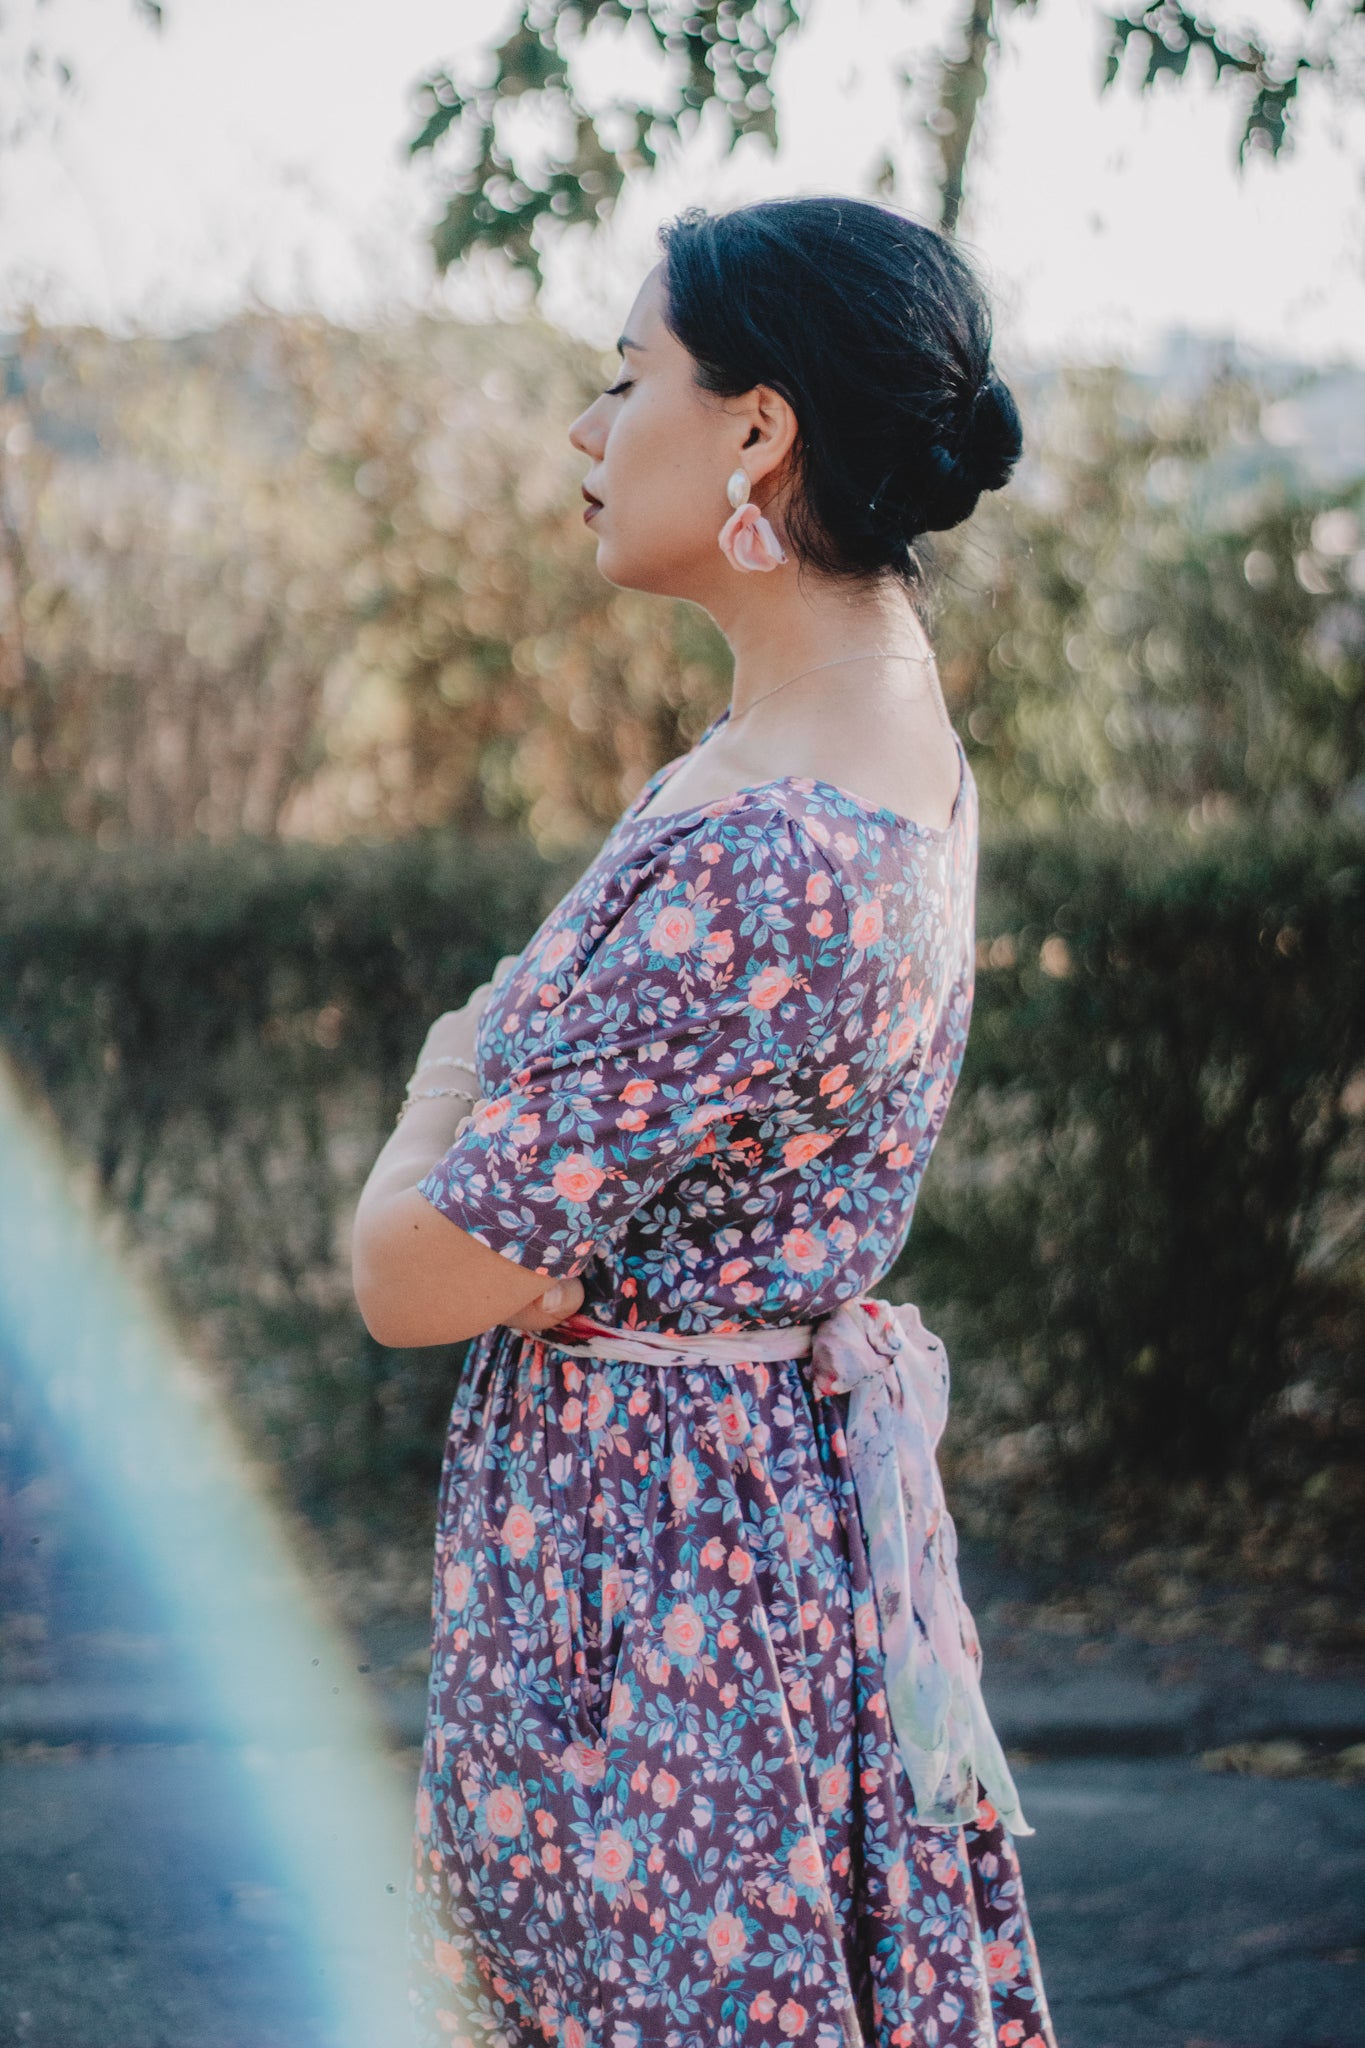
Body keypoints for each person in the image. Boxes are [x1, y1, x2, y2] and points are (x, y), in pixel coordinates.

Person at [351, 195, 1056, 2048]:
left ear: (756, 430)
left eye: (623, 377)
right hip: (735, 1528)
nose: (586, 433)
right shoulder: (861, 734)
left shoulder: (764, 848)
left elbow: (416, 1277)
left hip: (668, 1591)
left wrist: (442, 1085)